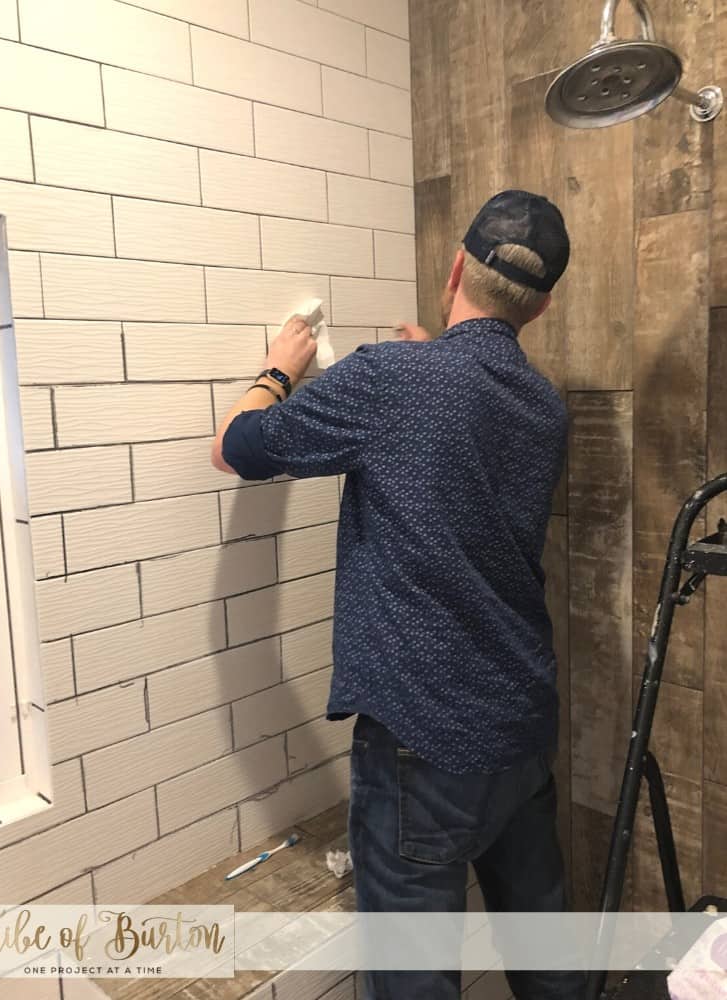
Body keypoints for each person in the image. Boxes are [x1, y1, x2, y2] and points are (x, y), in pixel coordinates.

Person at [212, 190, 585, 1000]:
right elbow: (460, 428)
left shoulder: (395, 381)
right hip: (519, 734)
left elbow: (236, 448)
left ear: (454, 266)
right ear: (543, 303)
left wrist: (279, 366)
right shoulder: (543, 408)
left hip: (424, 742)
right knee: (550, 962)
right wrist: (426, 364)